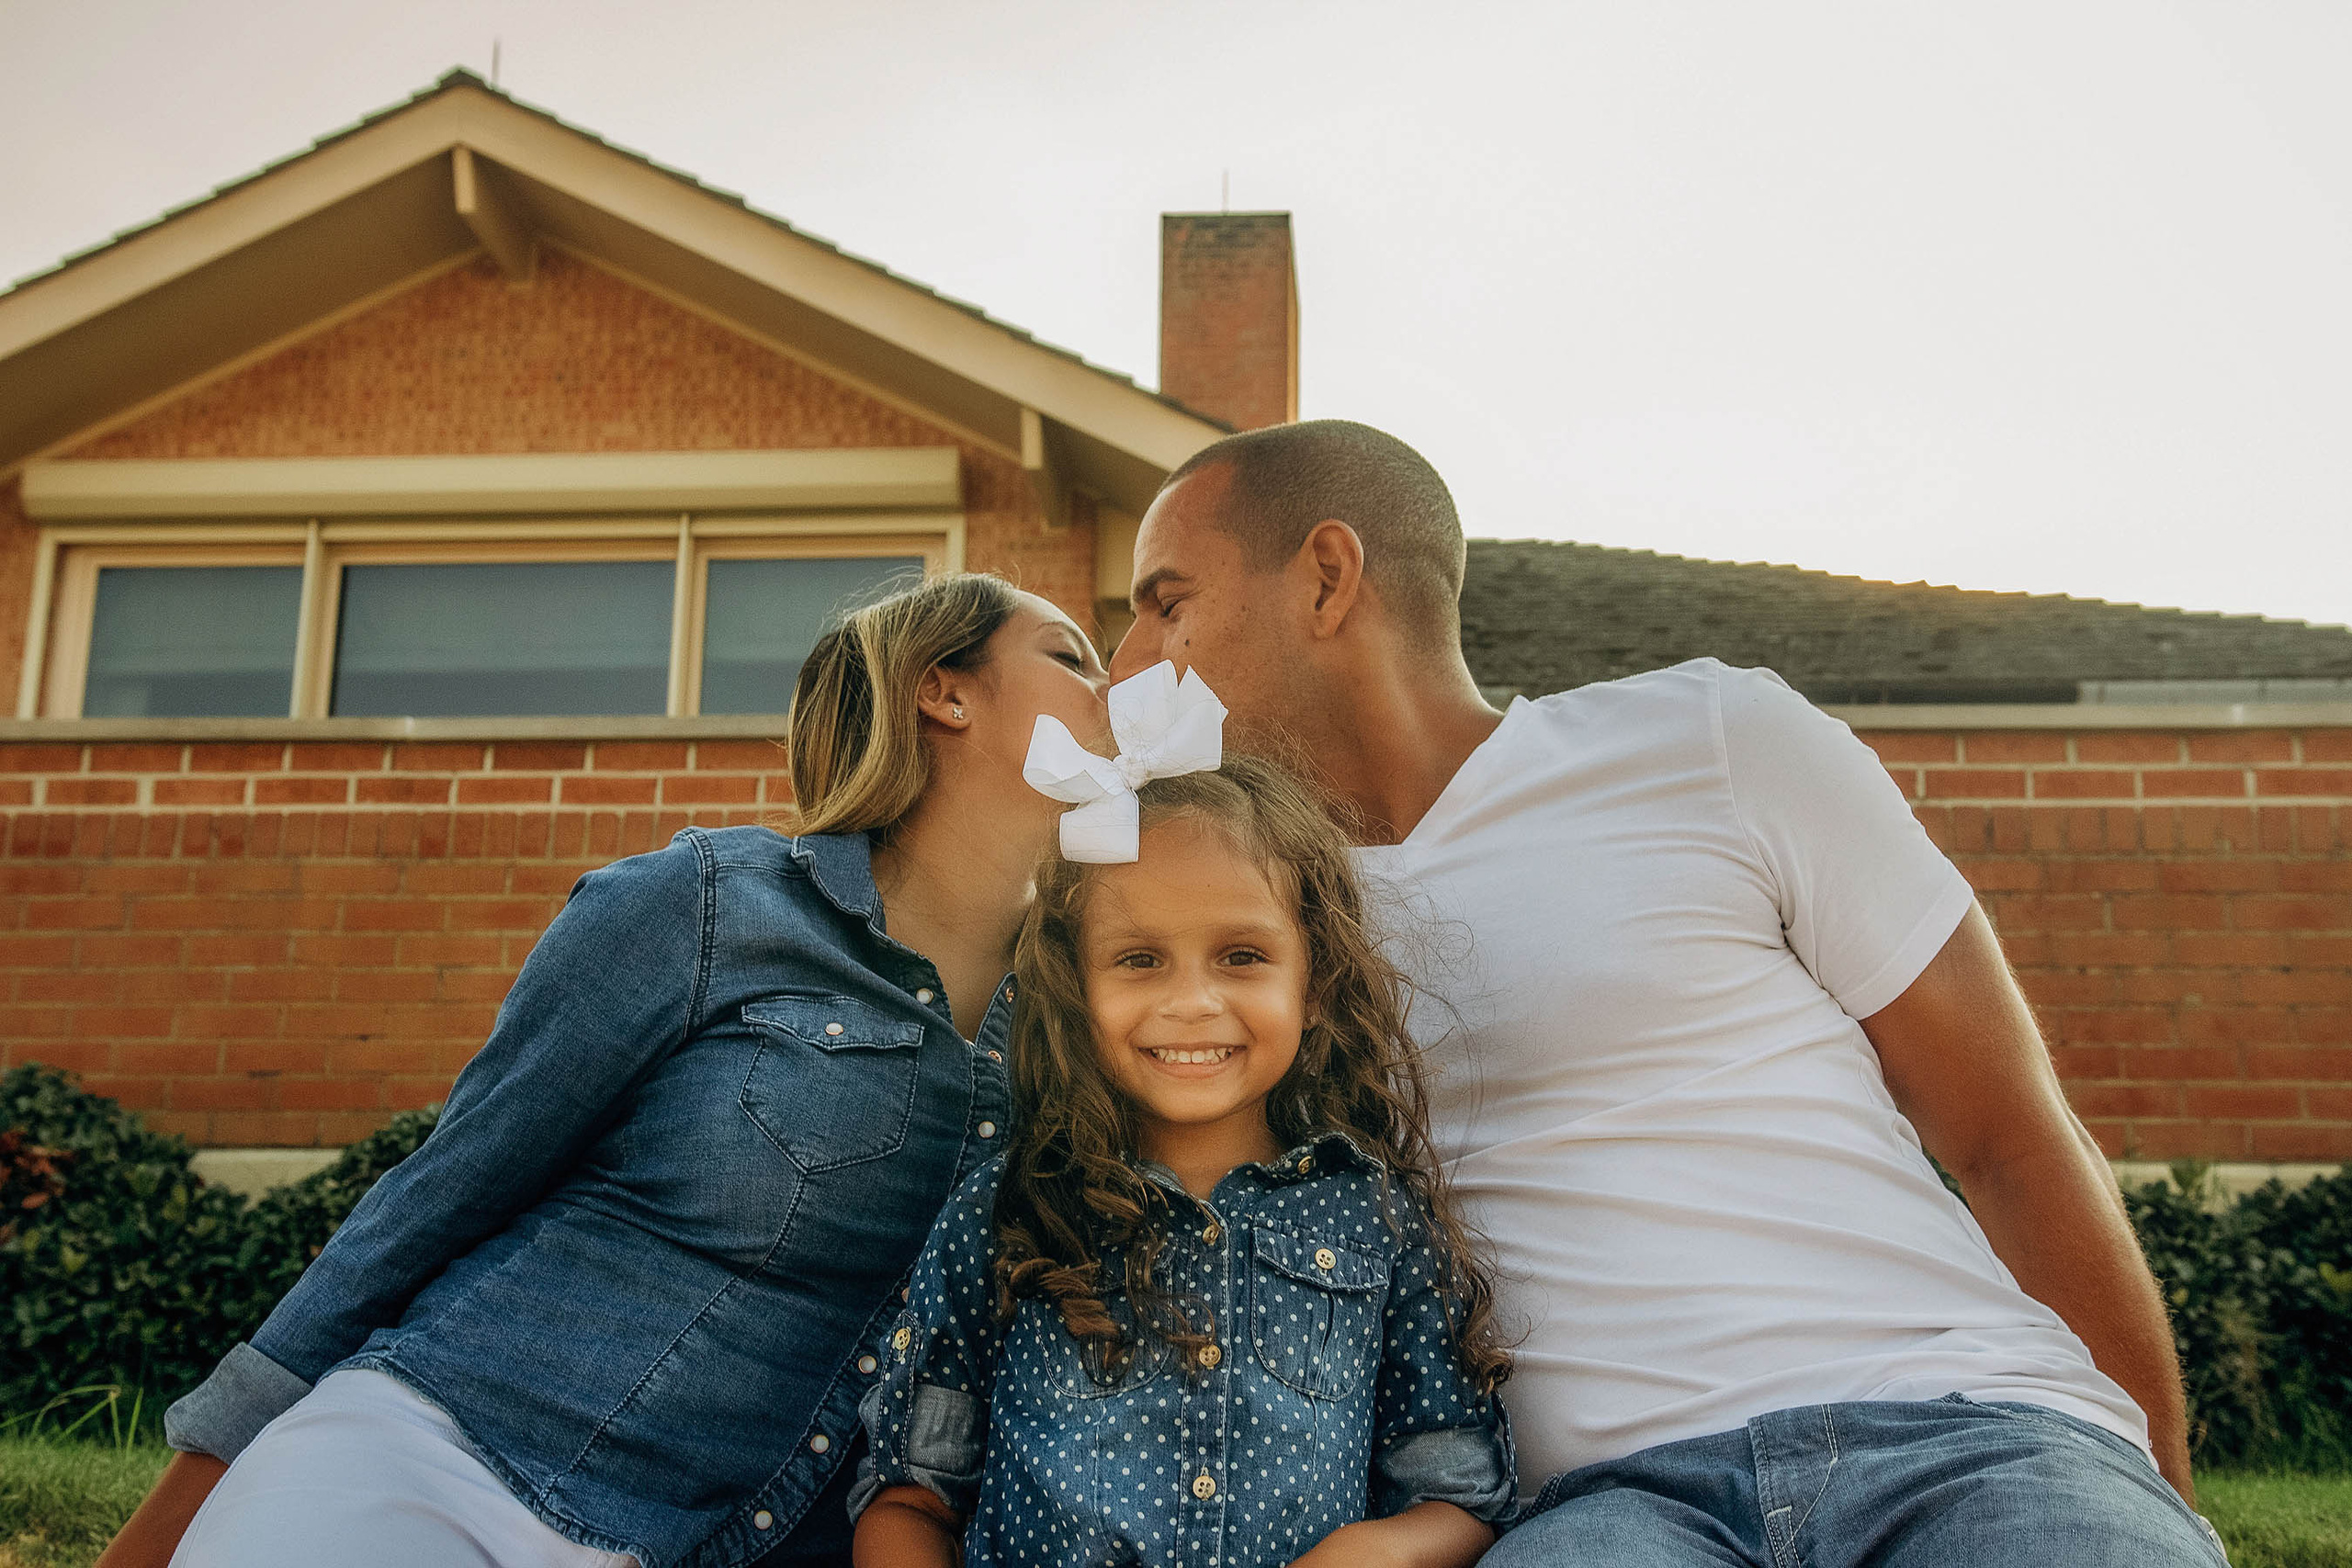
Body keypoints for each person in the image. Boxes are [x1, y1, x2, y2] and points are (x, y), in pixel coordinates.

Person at [1106, 420, 2231, 1567]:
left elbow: (2008, 1135)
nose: (1129, 660)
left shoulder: (1715, 739)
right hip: (1610, 1509)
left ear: (1327, 580)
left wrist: (2158, 1495)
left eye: (1166, 600)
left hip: (1963, 1429)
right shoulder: (1228, 930)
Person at [96, 572, 1114, 1568]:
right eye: (1074, 658)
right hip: (456, 1461)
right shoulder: (709, 903)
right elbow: (439, 1196)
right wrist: (168, 1526)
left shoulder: (1097, 1024)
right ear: (944, 689)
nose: (1115, 692)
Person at [849, 749, 1517, 1568]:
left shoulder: (1377, 1219)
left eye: (1241, 955)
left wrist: (1368, 1553)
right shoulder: (1006, 1212)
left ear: (1314, 985)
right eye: (1140, 958)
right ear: (1074, 987)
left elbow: (1457, 1493)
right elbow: (909, 1498)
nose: (1193, 1001)